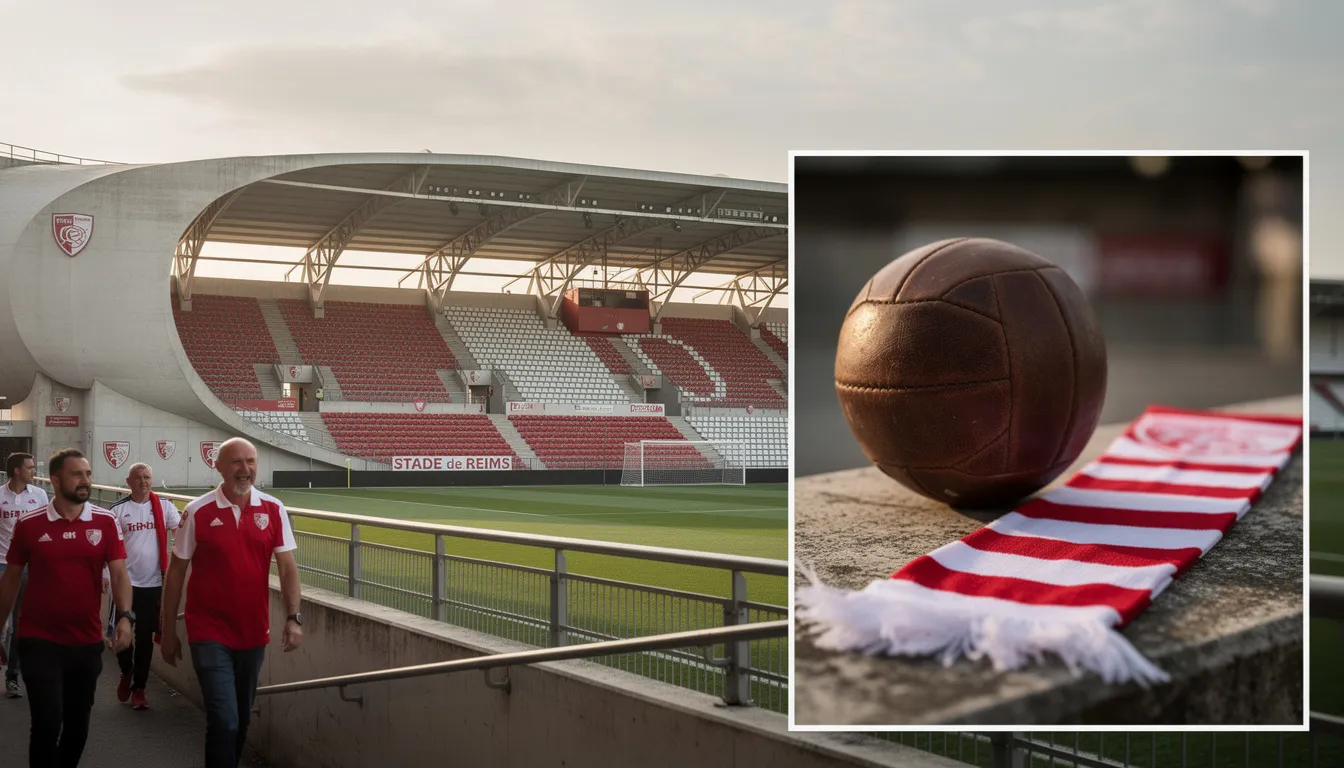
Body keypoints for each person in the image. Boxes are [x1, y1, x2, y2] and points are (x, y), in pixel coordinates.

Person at [160, 437, 303, 768]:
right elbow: (176, 572)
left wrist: (294, 617)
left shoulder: (273, 508)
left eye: (250, 461)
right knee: (224, 719)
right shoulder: (197, 511)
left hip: (253, 631)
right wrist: (167, 630)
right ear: (219, 467)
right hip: (208, 631)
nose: (245, 469)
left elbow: (287, 568)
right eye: (236, 462)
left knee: (240, 719)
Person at [0, 448, 133, 768]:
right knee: (46, 723)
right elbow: (11, 578)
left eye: (88, 474)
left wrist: (126, 617)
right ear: (56, 480)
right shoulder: (29, 525)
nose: (86, 480)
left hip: (85, 641)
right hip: (38, 639)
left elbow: (119, 573)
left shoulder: (106, 521)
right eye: (77, 474)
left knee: (77, 725)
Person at [102, 463, 180, 710]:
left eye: (147, 477)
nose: (144, 481)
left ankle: (140, 689)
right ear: (128, 482)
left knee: (145, 638)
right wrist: (104, 574)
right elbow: (107, 547)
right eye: (138, 478)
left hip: (153, 584)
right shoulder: (117, 510)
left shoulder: (164, 506)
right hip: (124, 584)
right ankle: (127, 670)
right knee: (121, 638)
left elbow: (181, 533)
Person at [1, 452, 48, 698]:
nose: (33, 471)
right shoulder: (0, 495)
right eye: (30, 467)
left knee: (19, 623)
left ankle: (12, 676)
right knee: (3, 623)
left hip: (28, 566)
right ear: (17, 471)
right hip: (1, 565)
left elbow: (46, 529)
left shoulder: (39, 495)